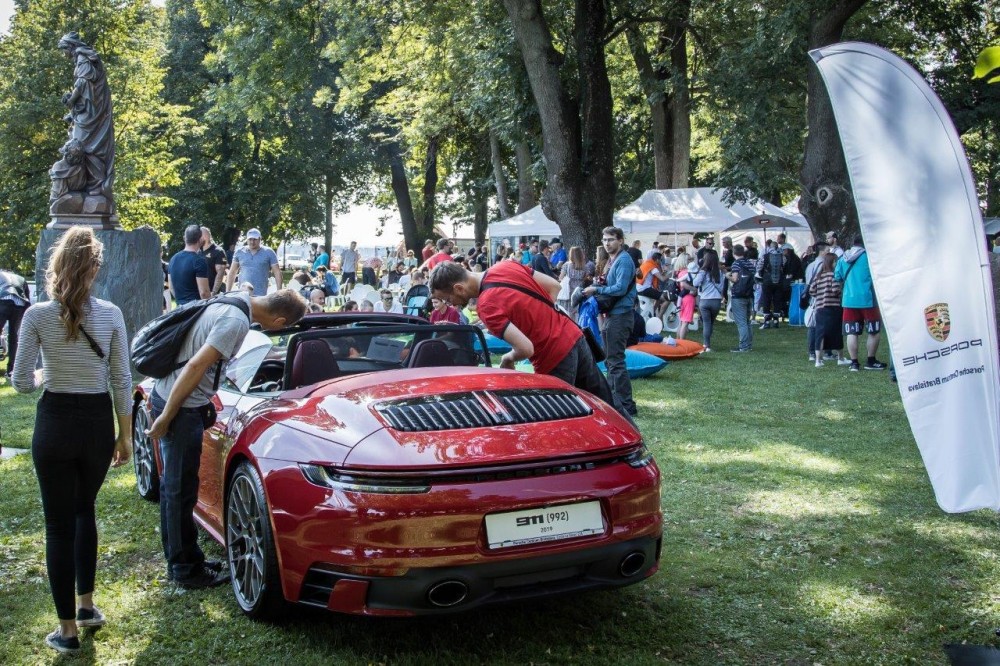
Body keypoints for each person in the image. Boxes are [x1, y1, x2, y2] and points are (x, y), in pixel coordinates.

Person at [11, 227, 131, 654]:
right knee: (85, 512)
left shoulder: (37, 315)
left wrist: (46, 372)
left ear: (56, 265)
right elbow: (121, 378)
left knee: (58, 526)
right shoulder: (113, 313)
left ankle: (67, 631)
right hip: (98, 422)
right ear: (95, 268)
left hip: (56, 422)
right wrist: (125, 434)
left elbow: (22, 382)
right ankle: (86, 606)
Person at [145, 289, 306, 589]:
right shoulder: (236, 321)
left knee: (175, 487)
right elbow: (195, 366)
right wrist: (167, 416)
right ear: (280, 320)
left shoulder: (235, 299)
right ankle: (184, 570)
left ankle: (185, 558)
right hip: (180, 406)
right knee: (180, 491)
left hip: (178, 400)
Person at [428, 260, 632, 422]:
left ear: (458, 288)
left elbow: (525, 348)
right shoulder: (507, 265)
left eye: (447, 299)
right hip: (574, 336)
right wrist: (545, 321)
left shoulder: (487, 306)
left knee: (554, 421)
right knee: (607, 404)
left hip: (553, 357)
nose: (450, 305)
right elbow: (554, 286)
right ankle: (637, 450)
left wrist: (508, 358)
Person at [582, 226, 638, 417]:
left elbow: (620, 288)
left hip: (621, 315)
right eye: (605, 240)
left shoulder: (623, 260)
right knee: (611, 361)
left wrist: (596, 290)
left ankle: (625, 405)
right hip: (611, 315)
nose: (607, 243)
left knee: (616, 361)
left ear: (620, 240)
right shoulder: (612, 261)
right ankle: (616, 401)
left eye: (611, 239)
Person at [834, 236, 886, 371]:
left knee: (852, 332)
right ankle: (871, 360)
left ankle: (854, 363)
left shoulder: (843, 257)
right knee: (873, 331)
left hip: (849, 300)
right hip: (868, 299)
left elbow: (837, 276)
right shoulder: (870, 257)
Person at [809, 252, 845, 367]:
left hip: (820, 309)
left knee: (820, 334)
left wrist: (820, 296)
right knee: (836, 333)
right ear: (832, 263)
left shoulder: (819, 276)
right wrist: (840, 292)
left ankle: (818, 360)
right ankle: (840, 357)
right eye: (835, 262)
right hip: (833, 308)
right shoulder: (832, 276)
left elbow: (812, 291)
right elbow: (835, 290)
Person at [225, 228, 282, 296]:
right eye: (250, 239)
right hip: (242, 294)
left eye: (255, 239)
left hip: (261, 295)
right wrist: (227, 292)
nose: (252, 242)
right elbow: (232, 272)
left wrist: (279, 292)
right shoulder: (239, 252)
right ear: (247, 239)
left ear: (260, 239)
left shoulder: (269, 252)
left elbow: (277, 272)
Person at [168, 225, 210, 306]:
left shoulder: (173, 259)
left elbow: (171, 287)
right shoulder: (199, 261)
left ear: (185, 238)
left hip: (179, 310)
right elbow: (204, 293)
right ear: (200, 239)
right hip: (195, 311)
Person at [0, 269, 30, 377]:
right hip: (20, 305)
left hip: (3, 301)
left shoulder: (0, 275)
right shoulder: (21, 278)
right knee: (14, 339)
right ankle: (11, 371)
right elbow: (27, 296)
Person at [693, 252, 725, 352]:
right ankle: (707, 342)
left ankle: (706, 344)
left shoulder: (702, 271)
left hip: (704, 300)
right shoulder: (719, 272)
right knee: (710, 322)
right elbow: (721, 287)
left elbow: (695, 283)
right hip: (716, 301)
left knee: (706, 322)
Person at [728, 244, 755, 353]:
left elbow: (735, 279)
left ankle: (743, 346)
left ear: (734, 253)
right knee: (747, 321)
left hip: (738, 296)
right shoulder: (749, 263)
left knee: (741, 322)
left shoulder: (736, 264)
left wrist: (727, 276)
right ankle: (748, 344)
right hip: (749, 295)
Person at [758, 240, 786, 329]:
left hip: (767, 280)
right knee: (777, 299)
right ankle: (776, 320)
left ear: (770, 247)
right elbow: (784, 267)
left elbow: (759, 267)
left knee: (766, 299)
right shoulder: (783, 256)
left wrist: (761, 274)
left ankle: (766, 321)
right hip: (779, 281)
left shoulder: (765, 256)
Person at [559, 246, 590, 319]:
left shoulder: (567, 265)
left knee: (568, 314)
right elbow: (585, 279)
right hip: (578, 292)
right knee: (578, 312)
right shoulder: (585, 267)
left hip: (568, 292)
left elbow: (561, 278)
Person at [200, 227, 228, 296]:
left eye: (198, 237)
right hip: (200, 293)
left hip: (214, 294)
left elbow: (220, 274)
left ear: (205, 237)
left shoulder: (218, 251)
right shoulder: (198, 251)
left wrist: (214, 292)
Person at [676, 262, 697, 341]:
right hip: (689, 298)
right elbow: (683, 284)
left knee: (681, 322)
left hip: (684, 297)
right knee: (685, 322)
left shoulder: (684, 273)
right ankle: (682, 341)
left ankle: (678, 340)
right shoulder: (692, 274)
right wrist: (693, 289)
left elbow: (680, 281)